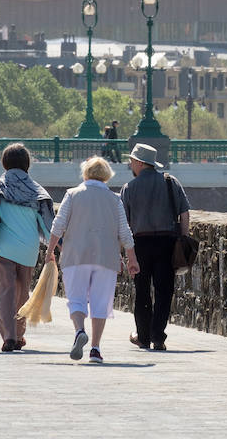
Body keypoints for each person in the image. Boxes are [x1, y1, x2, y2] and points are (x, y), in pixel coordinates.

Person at [47, 156, 139, 363]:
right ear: (107, 176)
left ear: (85, 173)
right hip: (106, 258)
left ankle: (80, 331)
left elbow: (58, 225)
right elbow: (125, 233)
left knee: (76, 300)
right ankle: (95, 349)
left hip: (75, 256)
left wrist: (50, 251)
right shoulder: (115, 200)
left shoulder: (72, 194)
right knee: (100, 303)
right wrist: (132, 259)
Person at [0, 143, 55, 352]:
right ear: (26, 163)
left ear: (4, 162)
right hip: (28, 250)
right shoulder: (37, 190)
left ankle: (9, 337)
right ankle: (19, 335)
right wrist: (53, 249)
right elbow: (48, 225)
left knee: (5, 292)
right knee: (22, 294)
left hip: (2, 248)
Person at [120, 143, 190, 351]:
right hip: (167, 242)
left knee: (142, 290)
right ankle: (158, 336)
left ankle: (142, 337)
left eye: (132, 160)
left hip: (140, 243)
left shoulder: (129, 188)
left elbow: (124, 223)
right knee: (164, 290)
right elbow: (184, 214)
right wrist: (183, 239)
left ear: (140, 163)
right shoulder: (170, 182)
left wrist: (126, 251)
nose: (130, 163)